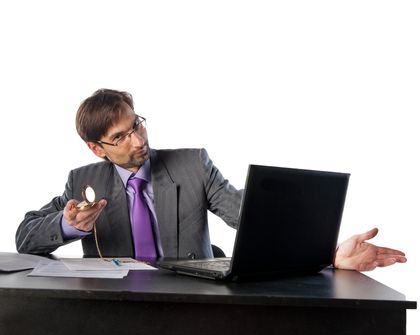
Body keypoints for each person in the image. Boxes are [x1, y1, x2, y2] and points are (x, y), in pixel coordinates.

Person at [16, 89, 407, 271]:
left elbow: (249, 215)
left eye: (137, 125)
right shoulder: (82, 181)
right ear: (96, 149)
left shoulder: (193, 165)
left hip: (190, 299)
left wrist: (330, 253)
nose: (138, 140)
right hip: (117, 305)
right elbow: (25, 237)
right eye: (120, 137)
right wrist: (67, 225)